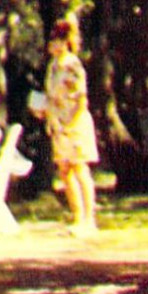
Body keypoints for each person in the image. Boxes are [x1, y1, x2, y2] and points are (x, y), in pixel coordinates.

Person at [40, 18, 99, 236]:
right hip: (58, 123)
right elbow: (50, 96)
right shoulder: (53, 66)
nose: (51, 46)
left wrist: (71, 123)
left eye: (55, 42)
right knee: (64, 171)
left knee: (79, 167)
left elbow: (81, 97)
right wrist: (49, 117)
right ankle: (76, 216)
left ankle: (89, 219)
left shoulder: (72, 65)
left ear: (65, 43)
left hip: (74, 121)